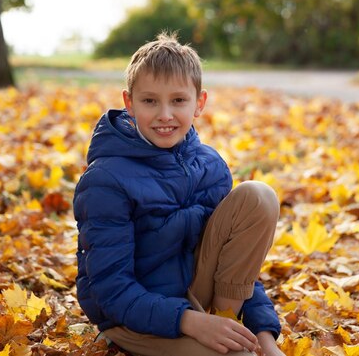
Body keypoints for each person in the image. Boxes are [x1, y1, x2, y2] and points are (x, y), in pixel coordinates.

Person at [74, 32, 283, 356]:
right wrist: (192, 323)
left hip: (196, 296)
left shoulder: (210, 166)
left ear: (199, 103)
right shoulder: (106, 180)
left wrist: (266, 339)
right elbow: (111, 291)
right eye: (150, 101)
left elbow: (238, 266)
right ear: (129, 103)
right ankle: (219, 336)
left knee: (259, 196)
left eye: (178, 100)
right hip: (132, 316)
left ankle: (227, 319)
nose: (165, 115)